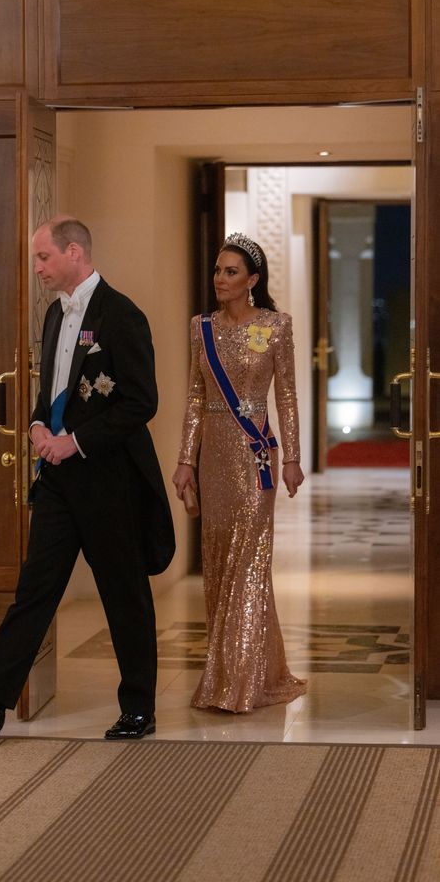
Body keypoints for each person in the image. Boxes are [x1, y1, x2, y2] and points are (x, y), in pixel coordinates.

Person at [0, 216, 175, 739]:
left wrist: (76, 441)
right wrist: (38, 425)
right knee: (35, 589)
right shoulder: (54, 316)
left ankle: (138, 710)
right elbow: (50, 389)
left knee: (122, 593)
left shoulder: (122, 315)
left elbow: (141, 403)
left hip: (109, 481)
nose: (36, 267)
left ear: (75, 253)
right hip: (59, 481)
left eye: (43, 257)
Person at [172, 232, 306, 714]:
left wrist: (292, 456)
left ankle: (234, 686)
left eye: (231, 272)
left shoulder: (275, 326)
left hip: (255, 458)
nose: (220, 280)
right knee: (218, 564)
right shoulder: (200, 328)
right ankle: (257, 672)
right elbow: (192, 396)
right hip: (212, 459)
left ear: (252, 280)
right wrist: (186, 459)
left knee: (249, 566)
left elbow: (286, 396)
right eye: (217, 270)